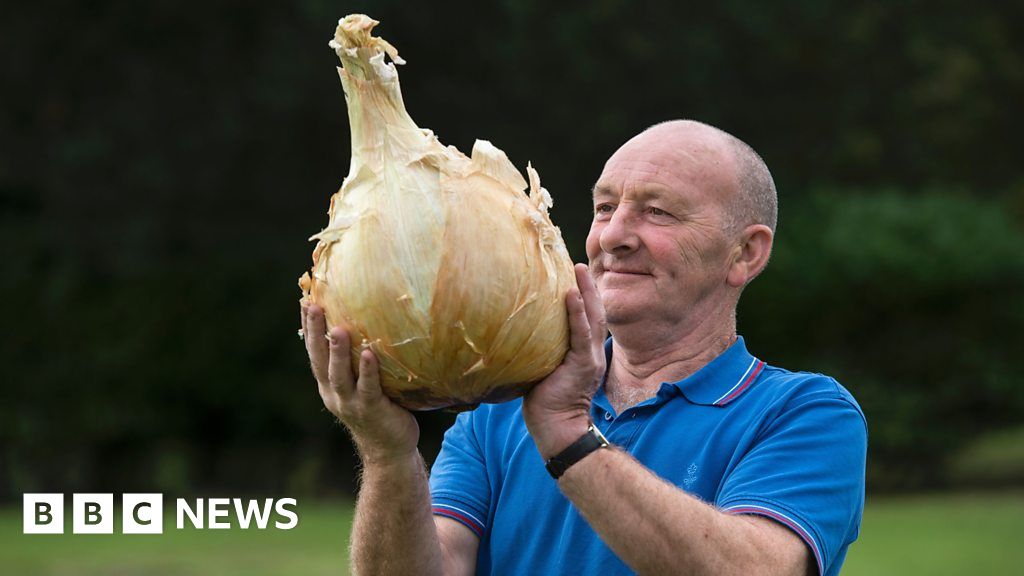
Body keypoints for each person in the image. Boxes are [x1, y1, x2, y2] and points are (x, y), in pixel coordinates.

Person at [301, 120, 867, 576]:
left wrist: (567, 434)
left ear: (745, 254)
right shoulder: (495, 415)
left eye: (657, 211)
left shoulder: (805, 414)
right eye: (603, 208)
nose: (612, 235)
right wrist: (388, 455)